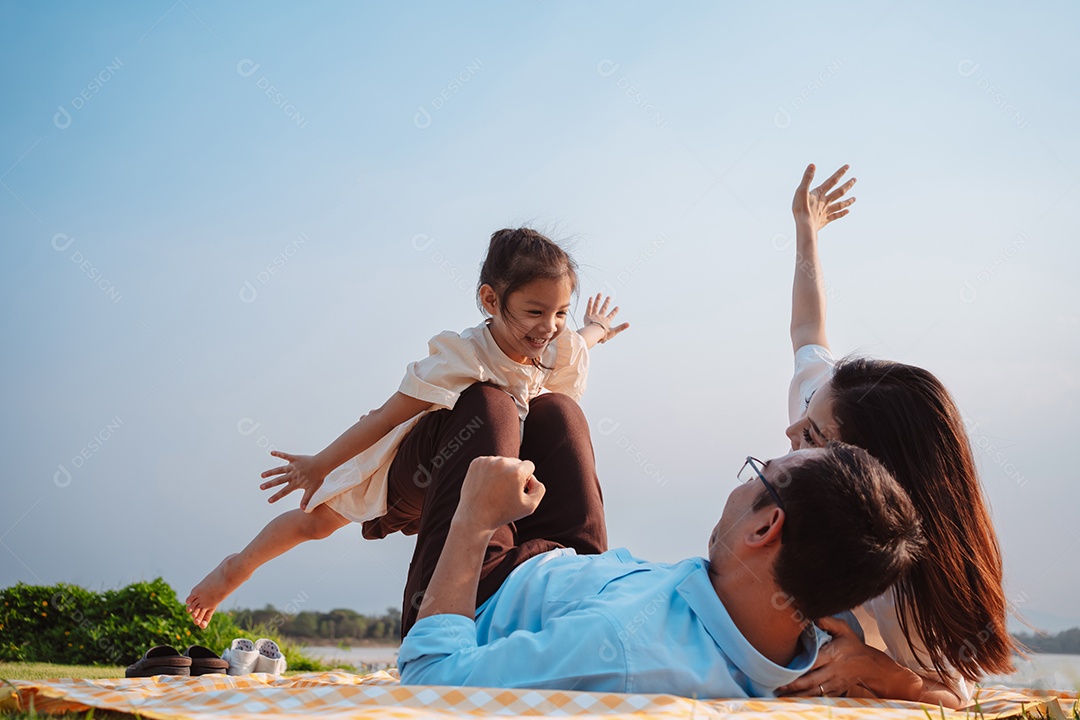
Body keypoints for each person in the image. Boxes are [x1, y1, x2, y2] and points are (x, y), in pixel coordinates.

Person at [185, 228, 630, 629]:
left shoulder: (551, 346)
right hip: (421, 470)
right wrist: (320, 464)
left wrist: (597, 328)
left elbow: (578, 343)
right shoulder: (464, 357)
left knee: (554, 410)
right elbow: (385, 417)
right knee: (317, 523)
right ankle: (235, 568)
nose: (548, 327)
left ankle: (548, 590)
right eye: (535, 311)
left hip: (491, 477)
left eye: (559, 312)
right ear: (491, 301)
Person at [393, 380, 924, 698]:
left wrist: (472, 518)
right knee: (557, 412)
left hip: (486, 593)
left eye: (758, 473)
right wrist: (889, 674)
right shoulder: (805, 641)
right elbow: (946, 691)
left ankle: (383, 504)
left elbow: (433, 680)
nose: (739, 486)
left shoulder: (615, 648)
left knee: (488, 406)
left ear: (766, 528)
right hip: (579, 574)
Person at [775, 164, 1016, 706]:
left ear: (870, 475)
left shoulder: (904, 579)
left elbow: (954, 696)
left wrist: (882, 674)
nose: (791, 428)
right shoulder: (830, 399)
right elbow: (807, 330)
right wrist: (805, 230)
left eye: (811, 433)